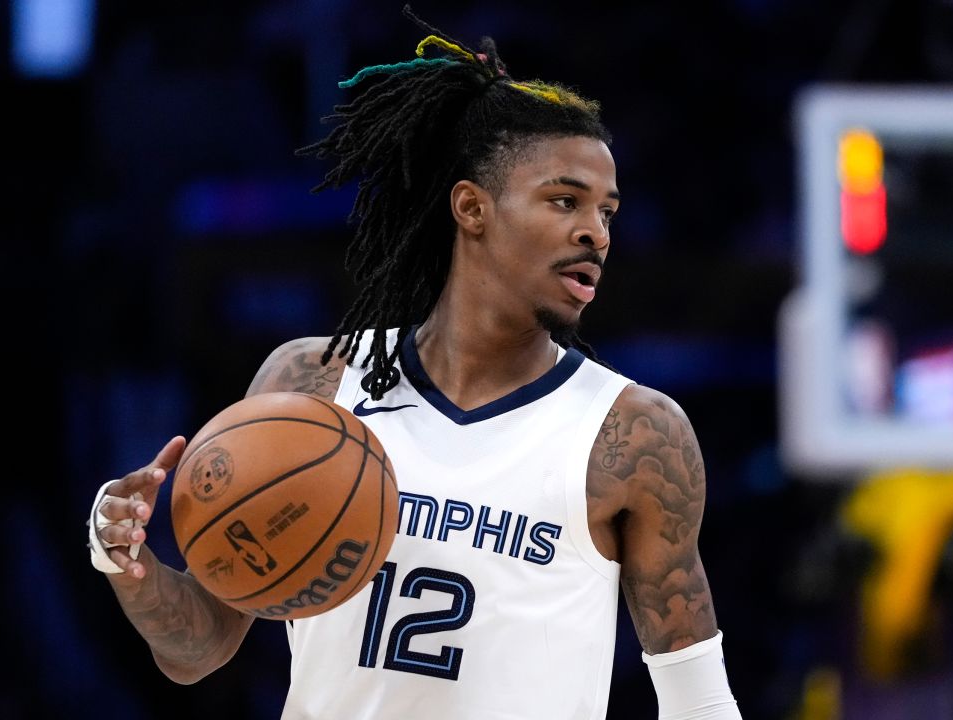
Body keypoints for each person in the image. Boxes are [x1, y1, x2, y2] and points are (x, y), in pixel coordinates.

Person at [86, 9, 739, 719]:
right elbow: (202, 648)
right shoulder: (312, 383)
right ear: (472, 208)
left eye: (608, 212)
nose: (595, 232)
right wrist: (132, 566)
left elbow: (697, 702)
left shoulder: (634, 435)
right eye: (564, 201)